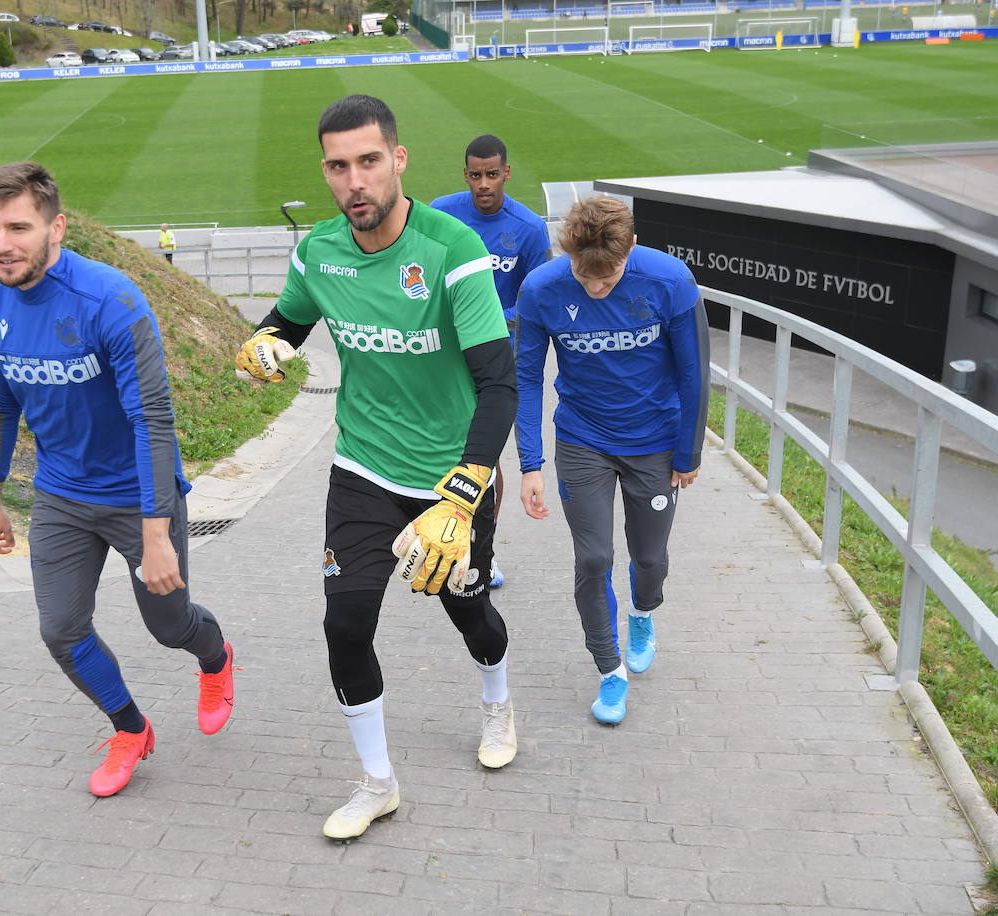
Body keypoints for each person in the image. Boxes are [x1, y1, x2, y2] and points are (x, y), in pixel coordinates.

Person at [232, 94, 519, 840]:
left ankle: (496, 700)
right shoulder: (318, 251)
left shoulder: (452, 250)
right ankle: (378, 782)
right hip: (362, 468)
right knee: (346, 622)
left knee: (470, 613)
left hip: (451, 480)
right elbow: (289, 320)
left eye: (368, 161)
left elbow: (499, 384)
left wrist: (464, 493)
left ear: (398, 160)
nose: (354, 181)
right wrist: (264, 344)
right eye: (337, 166)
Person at [0, 161, 236, 799]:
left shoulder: (111, 300)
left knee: (169, 626)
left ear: (56, 228)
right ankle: (130, 729)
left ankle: (216, 657)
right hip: (60, 496)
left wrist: (156, 534)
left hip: (136, 495)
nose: (2, 244)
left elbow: (153, 418)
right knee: (60, 630)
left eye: (18, 228)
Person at [514, 195, 708, 726]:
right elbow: (526, 378)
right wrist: (530, 463)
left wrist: (688, 451)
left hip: (655, 441)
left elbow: (694, 371)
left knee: (649, 557)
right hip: (583, 440)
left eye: (609, 276)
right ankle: (609, 668)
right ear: (567, 255)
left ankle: (643, 613)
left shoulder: (670, 281)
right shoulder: (540, 290)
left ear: (633, 248)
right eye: (584, 275)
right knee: (594, 558)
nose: (596, 287)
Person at [432, 134, 552, 590]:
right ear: (465, 175)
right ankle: (442, 536)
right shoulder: (441, 213)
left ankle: (484, 550)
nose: (484, 184)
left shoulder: (529, 229)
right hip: (445, 353)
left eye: (493, 174)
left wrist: (488, 319)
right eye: (476, 175)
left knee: (485, 454)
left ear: (507, 173)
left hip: (498, 357)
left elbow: (538, 296)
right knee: (446, 447)